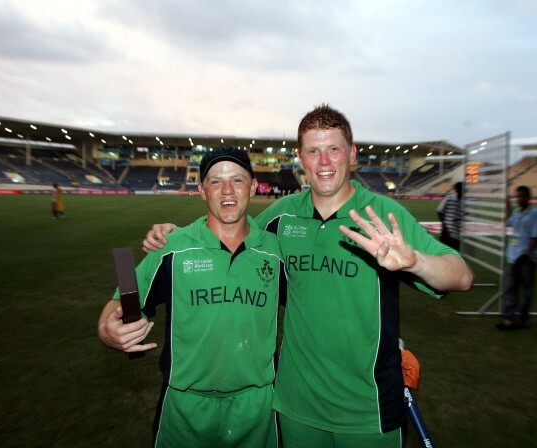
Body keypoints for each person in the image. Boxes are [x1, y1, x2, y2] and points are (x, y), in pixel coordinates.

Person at [143, 105, 473, 447]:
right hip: (294, 408)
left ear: (352, 153)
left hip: (368, 409)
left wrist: (415, 261)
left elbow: (461, 276)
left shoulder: (383, 213)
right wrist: (177, 234)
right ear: (301, 157)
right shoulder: (281, 217)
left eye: (334, 149)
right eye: (314, 151)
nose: (324, 162)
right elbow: (232, 234)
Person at [98, 147, 285, 447]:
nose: (227, 190)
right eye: (215, 181)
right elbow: (120, 303)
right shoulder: (170, 248)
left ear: (252, 187)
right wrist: (109, 331)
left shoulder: (276, 251)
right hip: (185, 409)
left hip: (258, 407)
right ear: (201, 190)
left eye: (237, 180)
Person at [496, 185, 537, 330]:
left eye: (522, 196)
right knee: (511, 288)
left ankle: (522, 316)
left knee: (527, 289)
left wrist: (529, 252)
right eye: (518, 196)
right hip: (513, 256)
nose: (520, 199)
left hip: (526, 258)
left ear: (529, 197)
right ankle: (509, 317)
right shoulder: (517, 212)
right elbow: (508, 222)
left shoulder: (535, 213)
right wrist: (506, 203)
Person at [436, 181, 463, 250]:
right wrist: (444, 223)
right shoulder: (449, 199)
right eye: (459, 189)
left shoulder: (465, 202)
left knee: (456, 250)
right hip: (447, 229)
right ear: (456, 189)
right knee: (445, 248)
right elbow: (439, 211)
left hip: (458, 230)